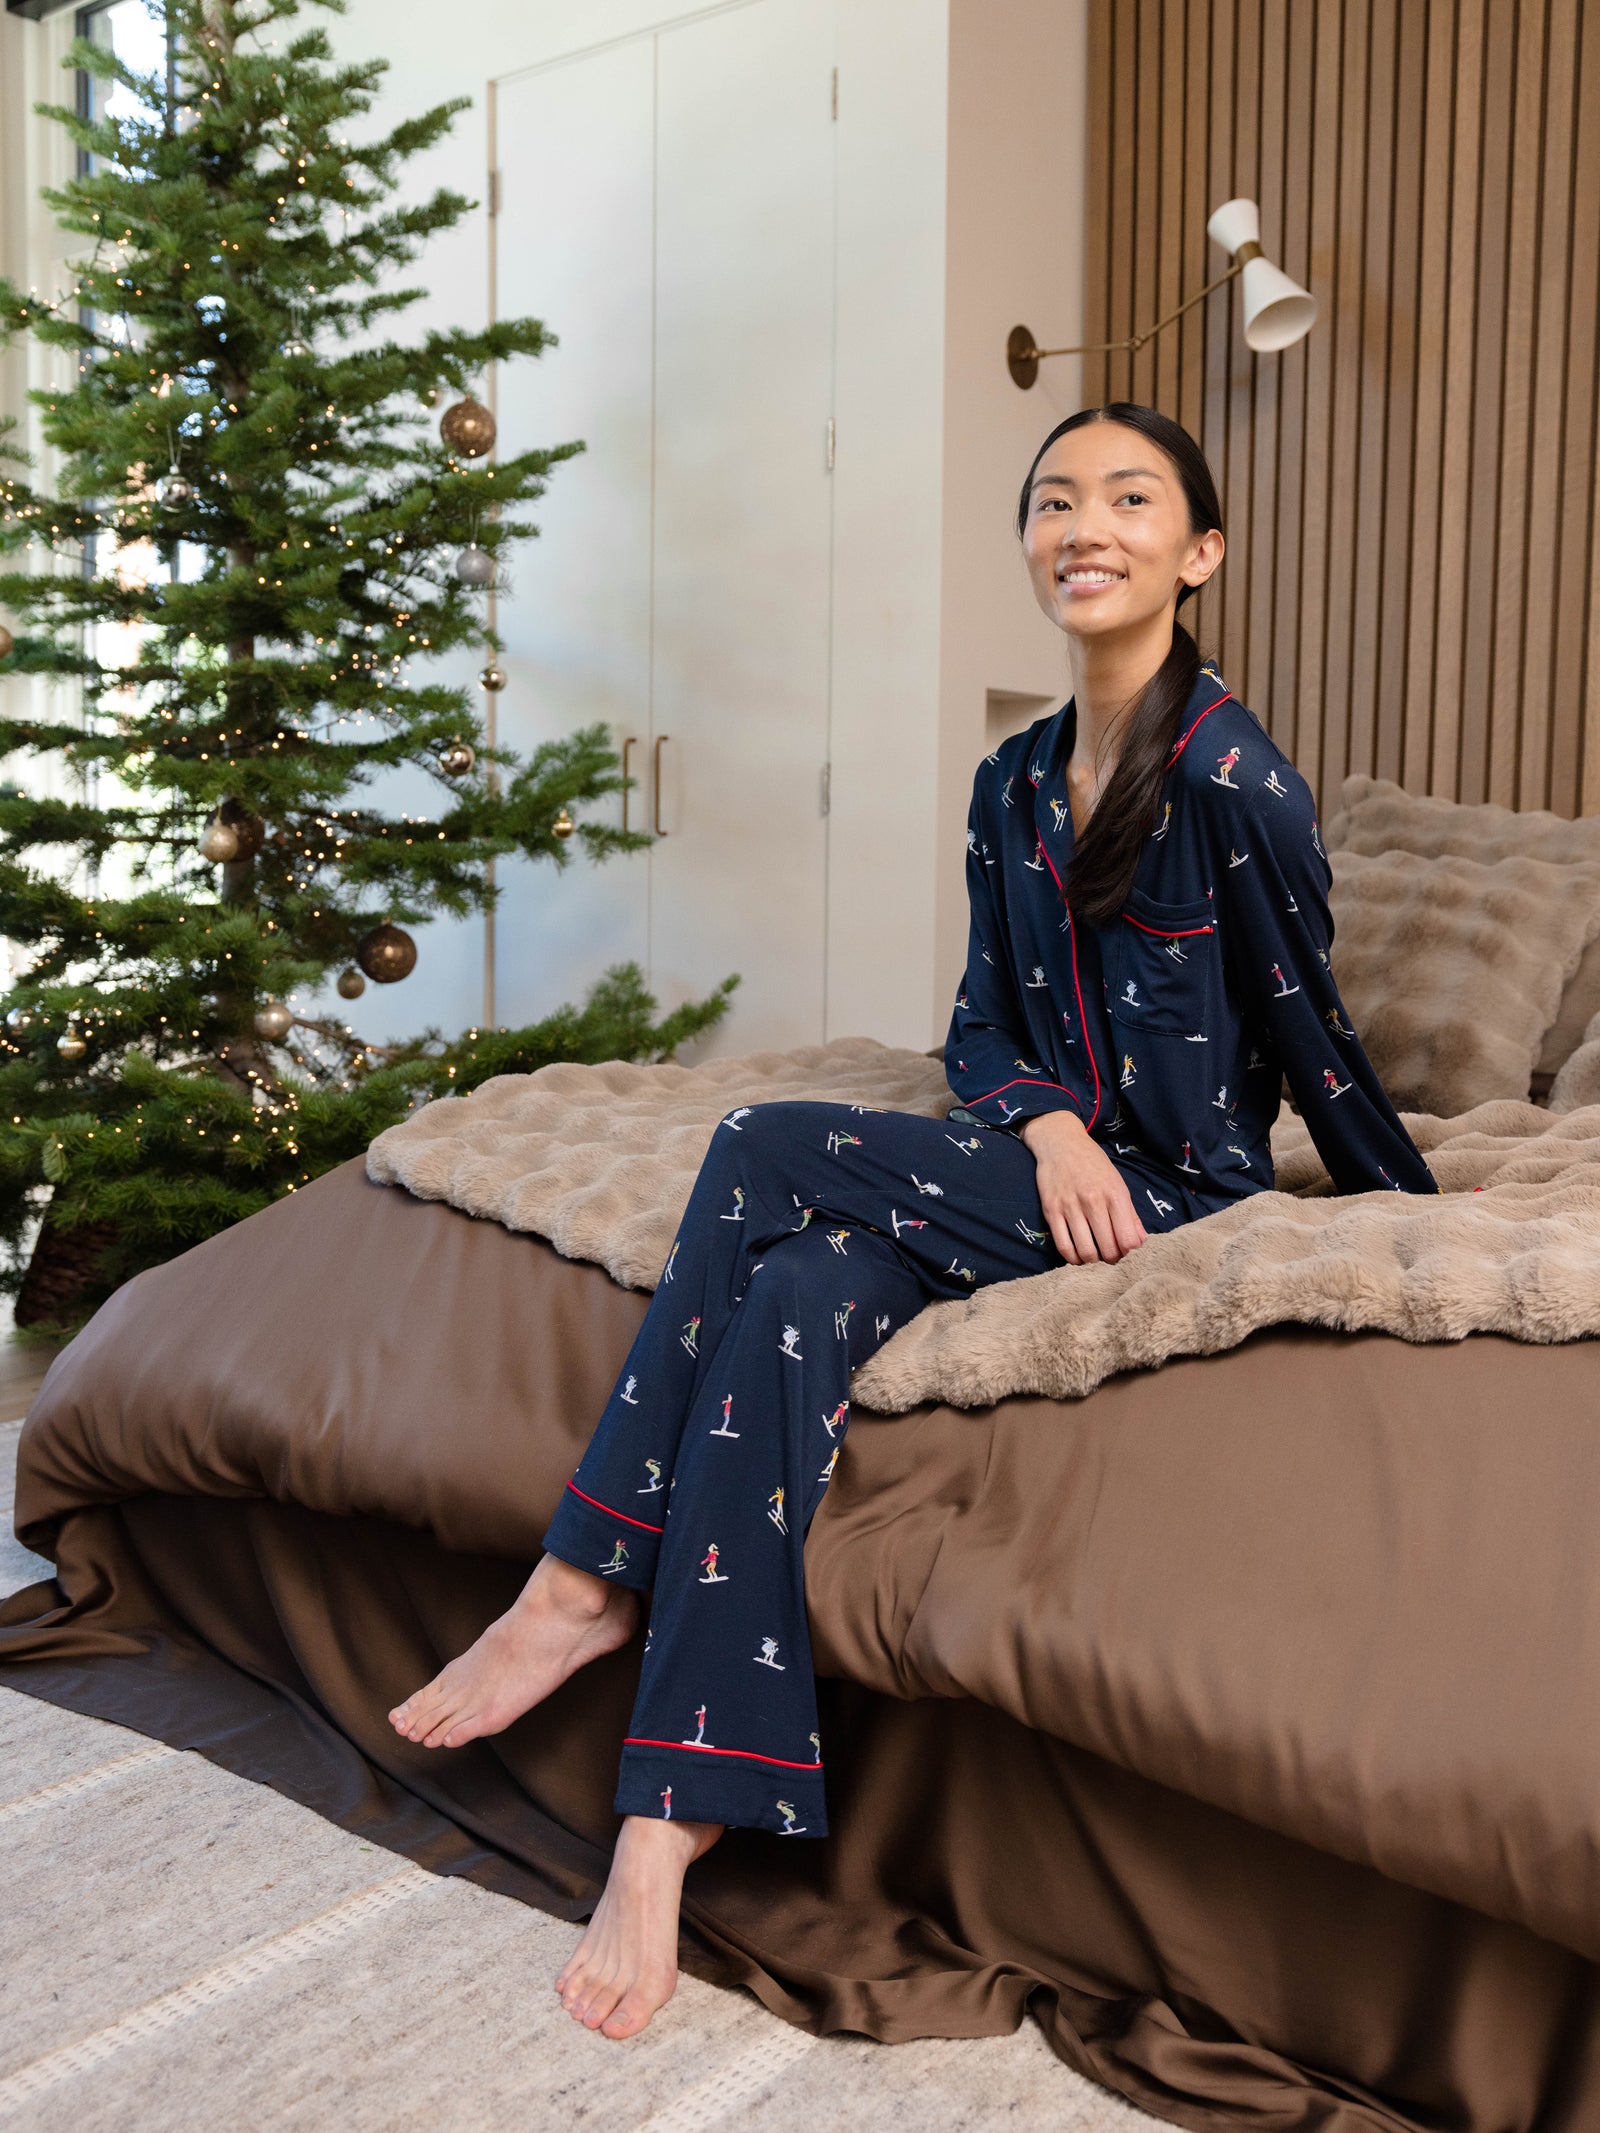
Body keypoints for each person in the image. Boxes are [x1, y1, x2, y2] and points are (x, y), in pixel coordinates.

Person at [386, 402, 1438, 2042]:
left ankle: (587, 1581)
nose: (1082, 525)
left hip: (1166, 1199)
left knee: (760, 1137)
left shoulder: (1241, 782)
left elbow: (1318, 1043)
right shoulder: (1012, 781)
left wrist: (1409, 1238)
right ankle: (669, 1821)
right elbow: (976, 1032)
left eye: (1131, 498)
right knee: (796, 1285)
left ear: (1200, 551)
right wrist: (1044, 1122)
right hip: (1034, 1164)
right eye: (1053, 499)